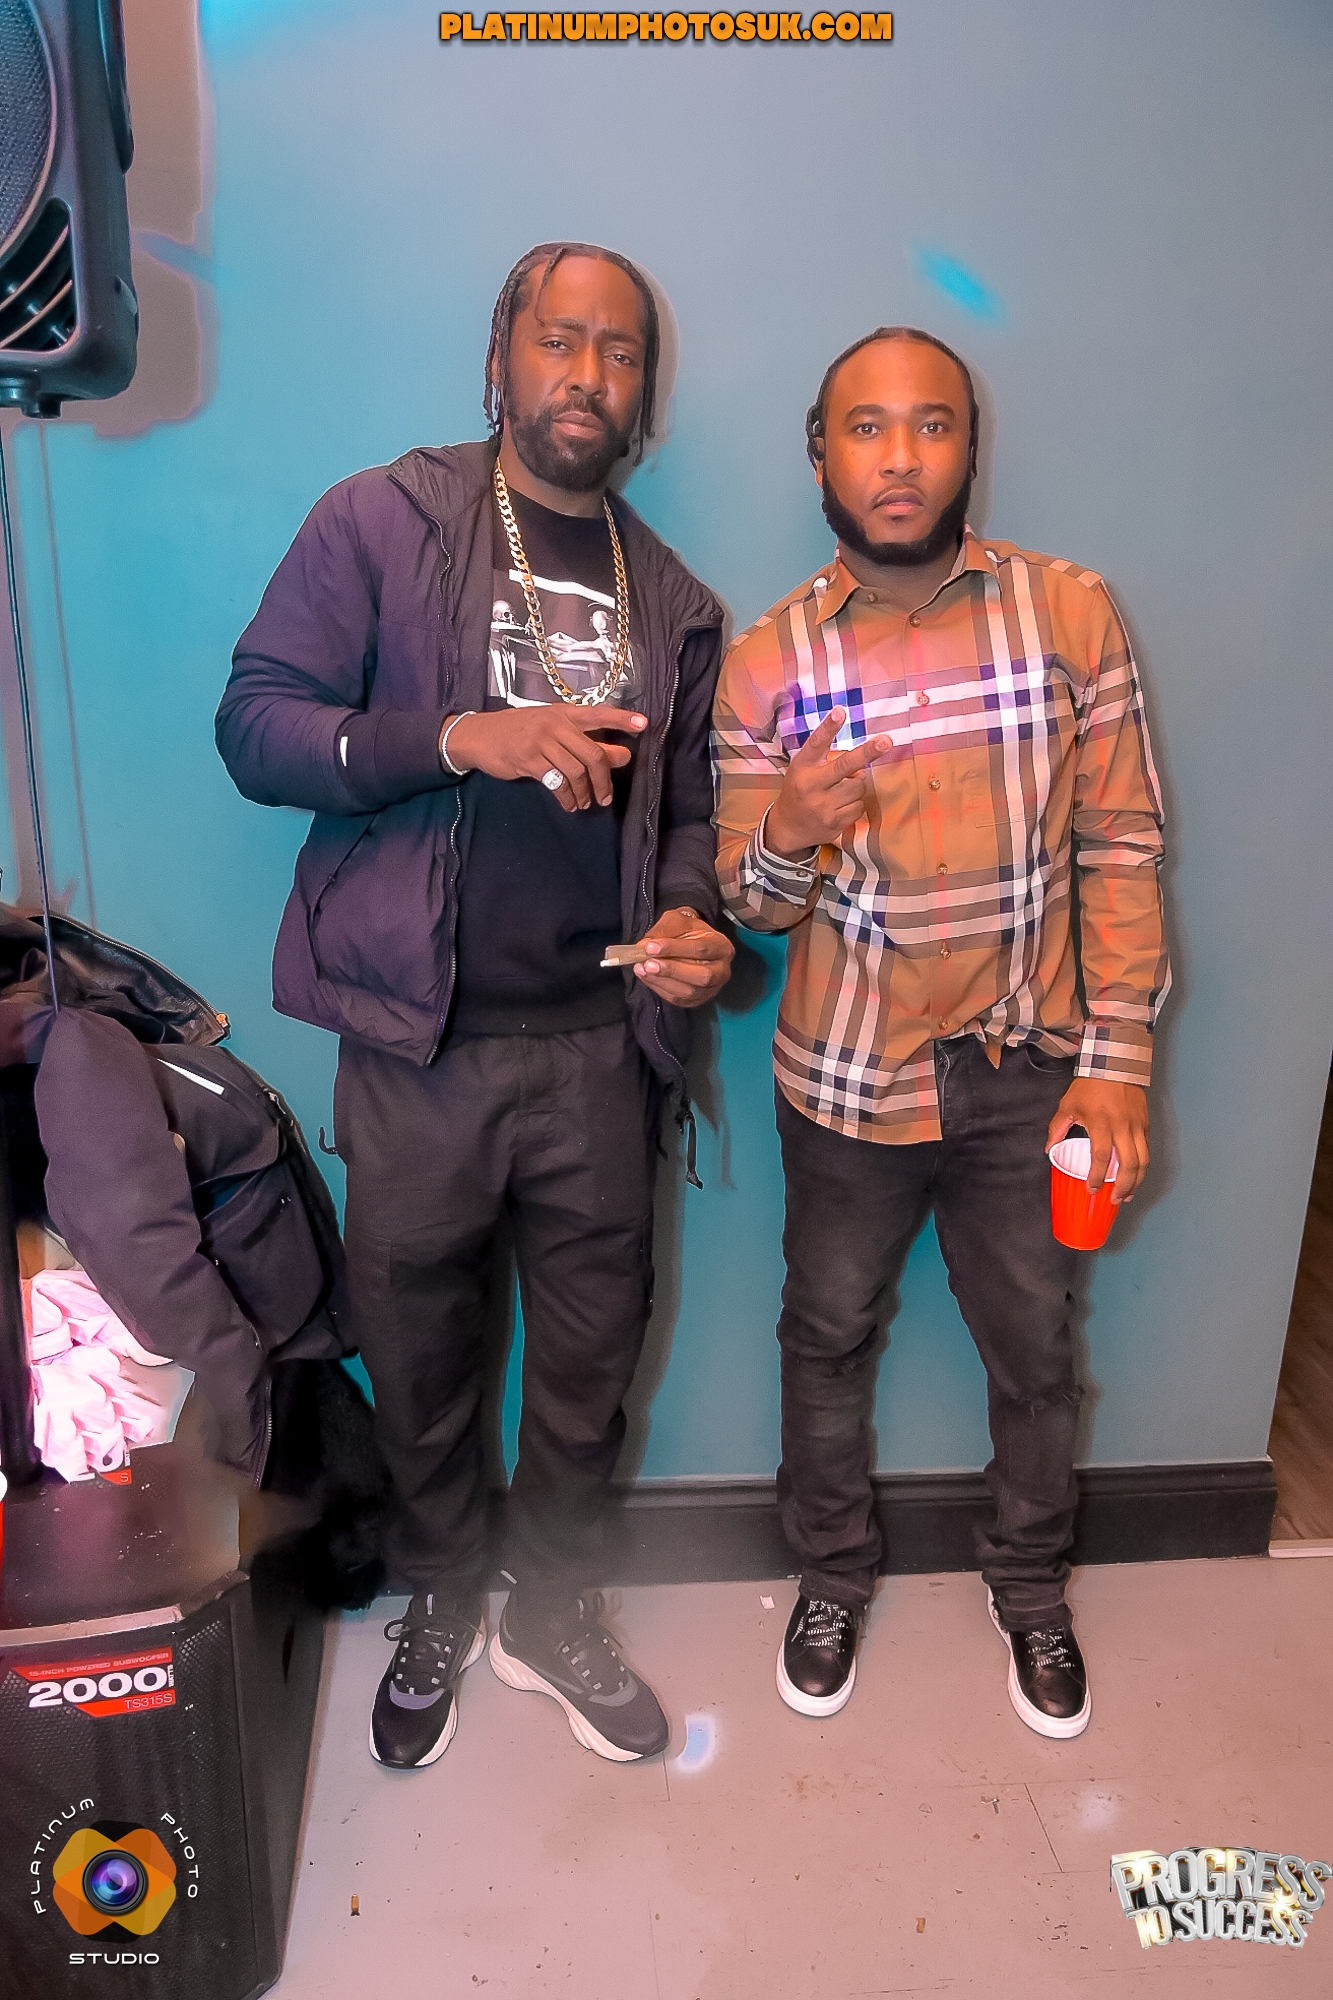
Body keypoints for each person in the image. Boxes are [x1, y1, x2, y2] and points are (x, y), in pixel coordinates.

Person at [216, 241, 733, 1771]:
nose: (587, 374)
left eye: (619, 351)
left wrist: (694, 922)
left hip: (600, 1052)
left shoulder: (674, 598)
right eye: (559, 339)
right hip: (416, 1048)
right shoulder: (382, 521)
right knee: (421, 1354)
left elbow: (688, 816)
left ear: (644, 390)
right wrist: (458, 737)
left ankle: (552, 1609)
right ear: (502, 353)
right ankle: (444, 1590)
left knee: (589, 1367)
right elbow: (256, 728)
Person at [713, 327, 1168, 1737]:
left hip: (1030, 1075)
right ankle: (830, 1576)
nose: (899, 457)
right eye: (866, 427)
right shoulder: (767, 660)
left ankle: (1028, 1585)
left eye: (930, 425)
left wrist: (1119, 1064)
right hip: (847, 1082)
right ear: (820, 453)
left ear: (969, 447)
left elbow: (1121, 843)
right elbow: (749, 905)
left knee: (1037, 1349)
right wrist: (788, 831)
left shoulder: (1069, 613)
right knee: (825, 1336)